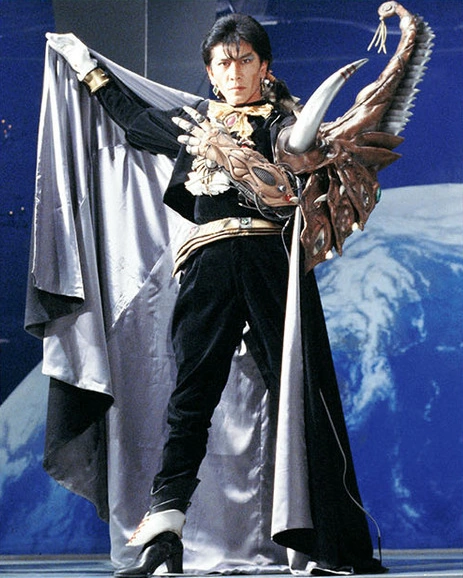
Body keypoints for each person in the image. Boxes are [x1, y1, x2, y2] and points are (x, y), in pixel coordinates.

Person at [46, 13, 386, 578]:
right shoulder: (195, 124)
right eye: (224, 63)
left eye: (246, 60)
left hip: (271, 262)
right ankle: (164, 534)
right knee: (190, 399)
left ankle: (331, 545)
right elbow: (136, 122)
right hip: (207, 265)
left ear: (264, 66)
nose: (235, 72)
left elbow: (302, 157)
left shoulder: (282, 122)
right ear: (210, 71)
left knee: (302, 391)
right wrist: (87, 68)